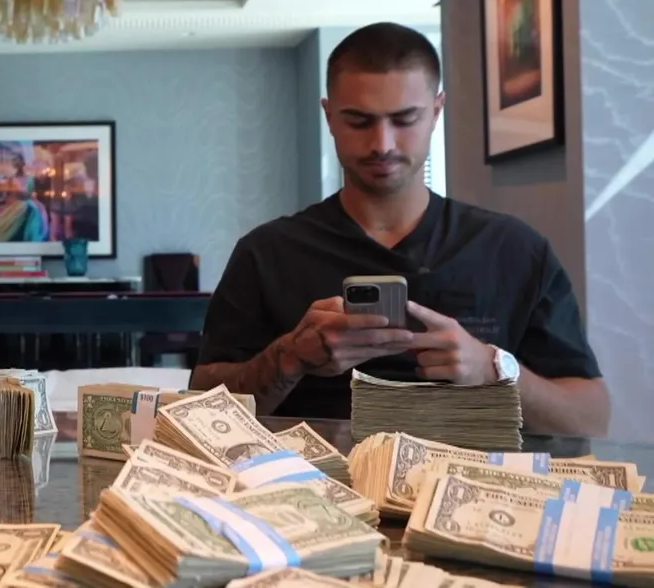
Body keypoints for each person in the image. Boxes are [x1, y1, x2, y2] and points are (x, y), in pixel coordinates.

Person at [191, 22, 610, 437]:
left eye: (405, 119)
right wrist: (289, 358)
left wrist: (492, 369)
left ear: (436, 111)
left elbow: (590, 417)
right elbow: (200, 407)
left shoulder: (513, 249)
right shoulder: (267, 253)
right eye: (359, 121)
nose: (383, 144)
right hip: (308, 476)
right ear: (330, 117)